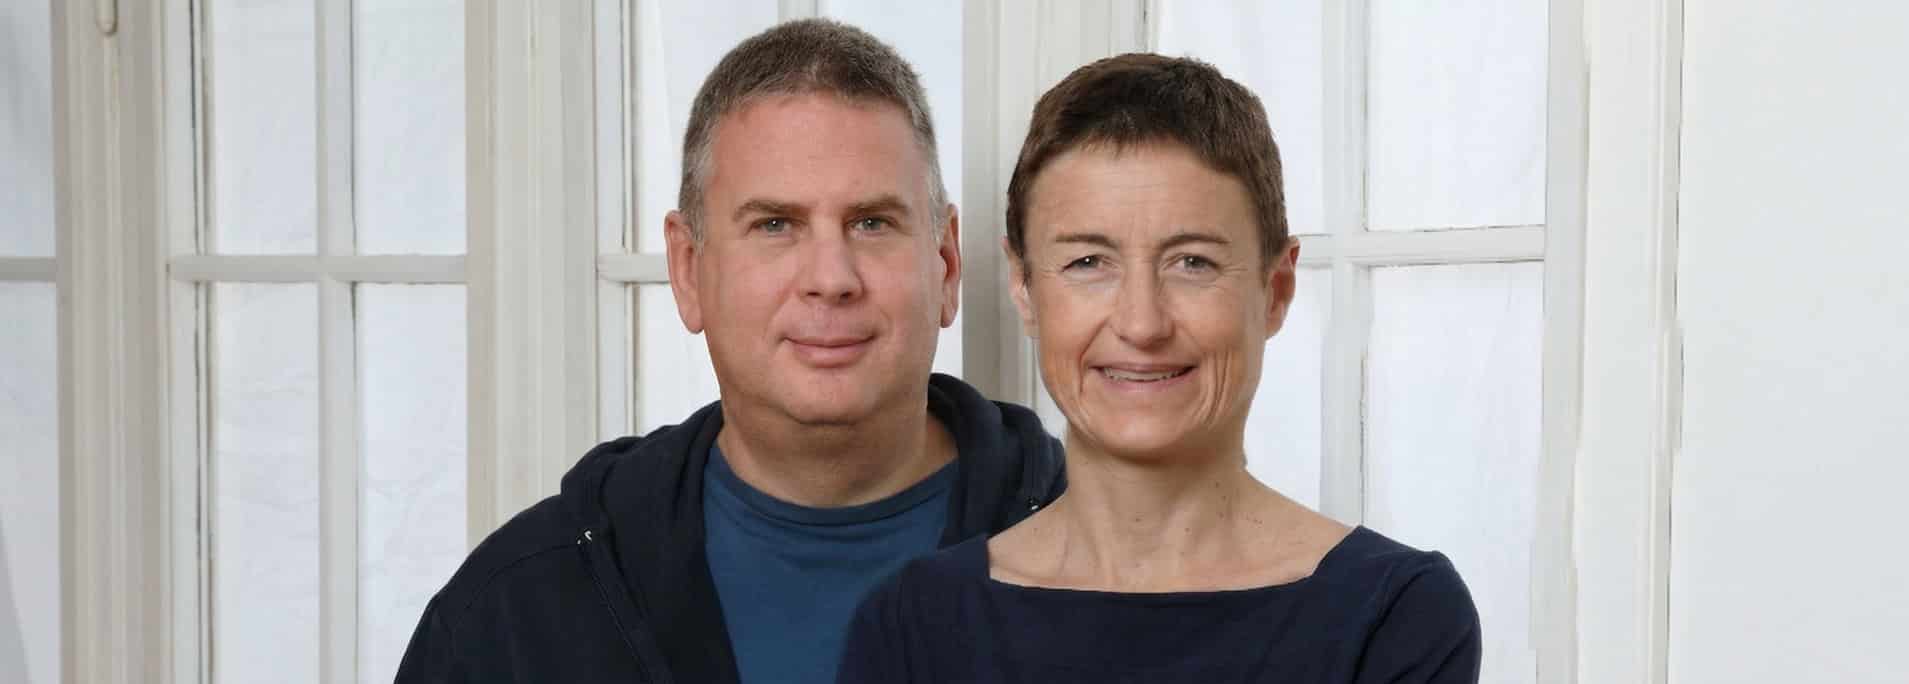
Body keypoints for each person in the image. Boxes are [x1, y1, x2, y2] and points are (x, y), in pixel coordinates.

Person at [396, 19, 1065, 684]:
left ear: (946, 263)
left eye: (871, 222)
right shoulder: (513, 614)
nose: (830, 278)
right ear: (688, 269)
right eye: (775, 225)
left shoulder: (1108, 566)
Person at [837, 53, 1481, 683]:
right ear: (1025, 289)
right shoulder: (915, 622)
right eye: (1088, 263)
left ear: (1276, 290)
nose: (1142, 324)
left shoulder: (1394, 615)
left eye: (1193, 262)